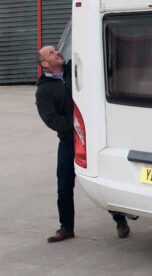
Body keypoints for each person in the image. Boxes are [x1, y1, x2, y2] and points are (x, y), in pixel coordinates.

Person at [35, 46, 132, 242]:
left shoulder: (75, 70)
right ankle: (66, 228)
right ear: (45, 63)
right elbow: (52, 120)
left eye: (56, 49)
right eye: (51, 53)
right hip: (69, 140)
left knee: (102, 179)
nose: (57, 53)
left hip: (94, 138)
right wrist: (78, 122)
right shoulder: (44, 90)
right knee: (64, 185)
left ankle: (120, 219)